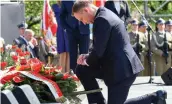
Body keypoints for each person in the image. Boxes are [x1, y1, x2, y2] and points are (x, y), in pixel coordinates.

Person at [72, 1, 167, 104]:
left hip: (122, 71)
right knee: (82, 69)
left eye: (81, 19)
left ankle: (155, 97)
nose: (84, 23)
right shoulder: (103, 14)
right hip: (114, 66)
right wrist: (87, 57)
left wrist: (86, 59)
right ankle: (97, 102)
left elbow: (98, 52)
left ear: (86, 10)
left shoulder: (102, 19)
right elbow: (101, 47)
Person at [60, 1, 90, 73]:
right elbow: (61, 17)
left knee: (85, 53)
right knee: (73, 54)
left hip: (84, 31)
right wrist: (66, 28)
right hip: (71, 32)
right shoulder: (65, 2)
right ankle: (74, 72)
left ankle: (85, 73)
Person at [52, 1, 70, 73]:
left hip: (68, 30)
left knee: (69, 52)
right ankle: (62, 73)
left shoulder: (69, 5)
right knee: (63, 52)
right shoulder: (55, 6)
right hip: (61, 30)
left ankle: (68, 73)